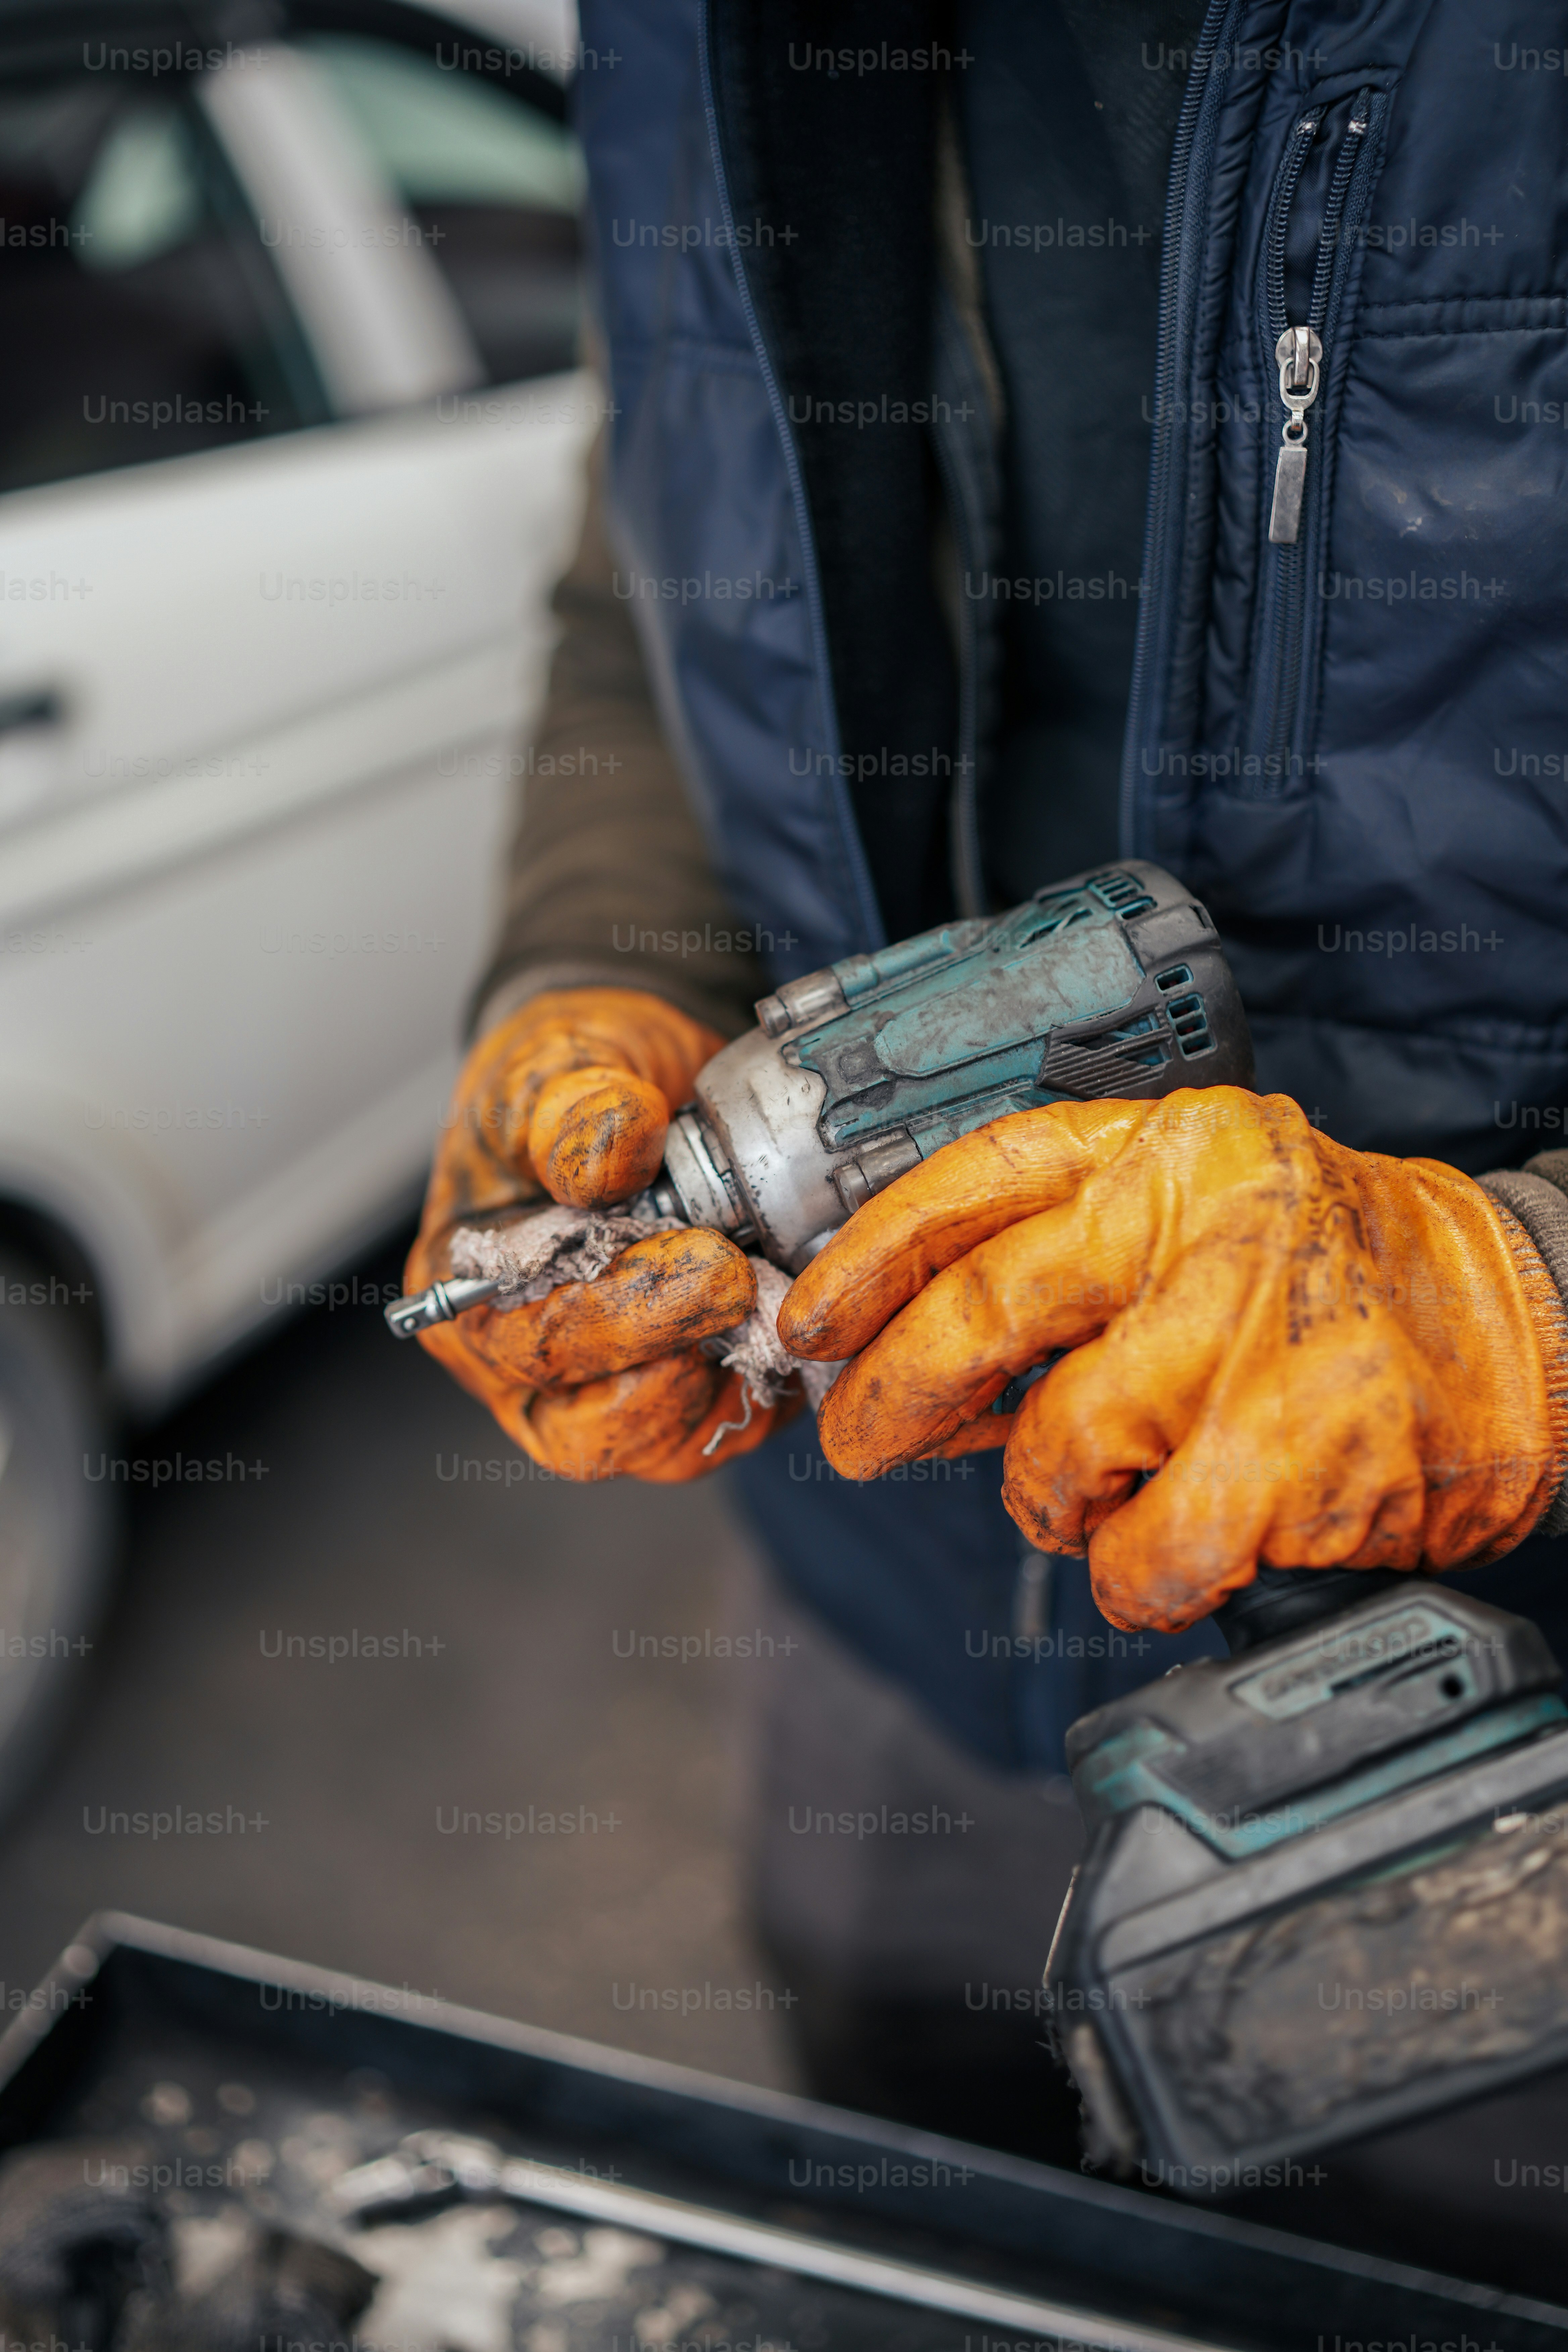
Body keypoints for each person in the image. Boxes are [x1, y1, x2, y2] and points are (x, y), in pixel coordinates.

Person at [406, 1, 1568, 2157]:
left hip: (1493, 1750)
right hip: (896, 1651)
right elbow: (651, 568)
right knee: (914, 2206)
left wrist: (1529, 1293)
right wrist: (600, 962)